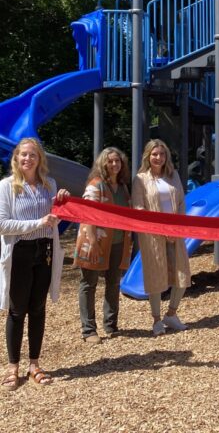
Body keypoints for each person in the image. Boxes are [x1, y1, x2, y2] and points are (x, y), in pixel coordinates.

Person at [0, 138, 69, 390]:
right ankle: (12, 367)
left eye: (33, 155)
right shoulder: (6, 186)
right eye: (23, 154)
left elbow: (55, 217)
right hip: (20, 252)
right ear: (16, 158)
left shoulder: (49, 184)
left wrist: (62, 200)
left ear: (40, 159)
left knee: (38, 308)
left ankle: (34, 364)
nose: (28, 159)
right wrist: (38, 223)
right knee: (17, 310)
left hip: (45, 251)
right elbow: (3, 225)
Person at [74, 147, 133, 344]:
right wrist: (92, 241)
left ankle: (111, 325)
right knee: (89, 284)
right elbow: (87, 213)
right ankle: (88, 330)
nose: (114, 164)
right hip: (95, 241)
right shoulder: (96, 185)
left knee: (113, 283)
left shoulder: (123, 187)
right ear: (103, 163)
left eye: (117, 161)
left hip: (118, 242)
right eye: (110, 161)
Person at [131, 139, 190, 336]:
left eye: (162, 154)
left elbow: (181, 203)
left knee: (182, 273)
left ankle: (171, 314)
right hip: (152, 235)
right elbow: (138, 208)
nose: (158, 157)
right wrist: (159, 228)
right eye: (155, 154)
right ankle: (156, 320)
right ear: (148, 156)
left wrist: (176, 227)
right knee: (155, 275)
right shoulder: (140, 179)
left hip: (175, 232)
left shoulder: (173, 176)